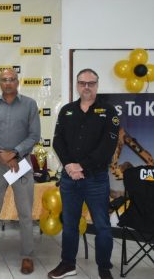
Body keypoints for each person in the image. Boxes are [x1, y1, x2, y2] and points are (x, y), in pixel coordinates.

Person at [49, 69, 119, 279]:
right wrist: (70, 166)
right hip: (70, 179)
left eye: (91, 83)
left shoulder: (108, 111)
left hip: (96, 179)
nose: (86, 87)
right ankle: (68, 263)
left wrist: (83, 167)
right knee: (70, 224)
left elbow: (108, 146)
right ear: (77, 85)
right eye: (82, 83)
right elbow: (58, 141)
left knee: (102, 226)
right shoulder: (67, 110)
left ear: (97, 85)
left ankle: (104, 267)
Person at [0, 68, 41, 274]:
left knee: (25, 213)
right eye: (4, 80)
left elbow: (34, 136)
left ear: (17, 81)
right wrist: (1, 154)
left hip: (21, 164)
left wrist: (14, 153)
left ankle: (27, 256)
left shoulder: (30, 104)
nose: (8, 83)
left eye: (11, 79)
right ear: (0, 83)